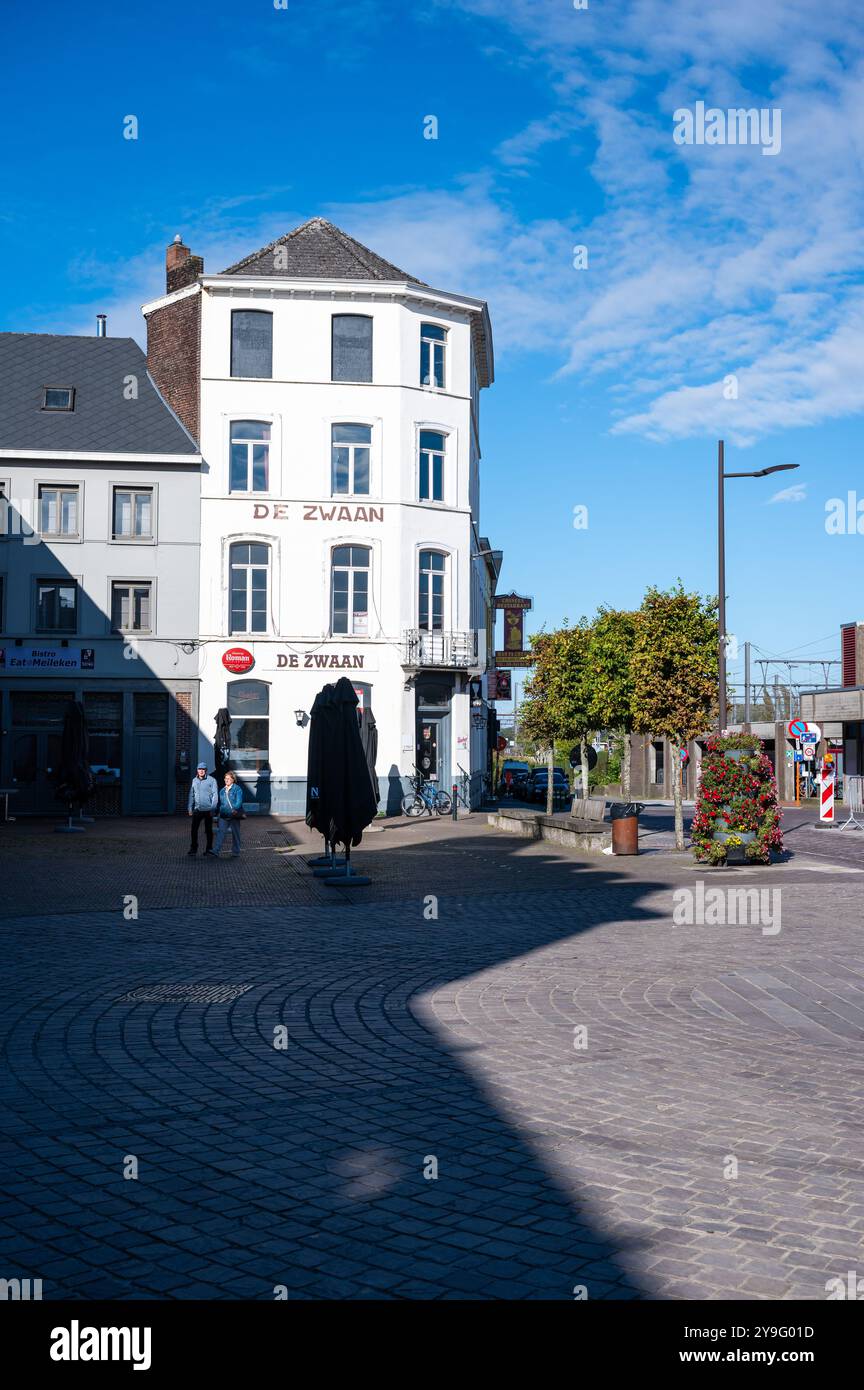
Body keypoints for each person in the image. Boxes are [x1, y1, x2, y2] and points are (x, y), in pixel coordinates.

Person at [208, 771, 244, 858]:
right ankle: (216, 850)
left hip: (233, 814)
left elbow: (239, 801)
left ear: (233, 780)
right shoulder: (222, 791)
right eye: (225, 778)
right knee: (221, 832)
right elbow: (221, 803)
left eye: (228, 778)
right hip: (223, 814)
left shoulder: (237, 789)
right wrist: (217, 811)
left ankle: (236, 851)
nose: (226, 780)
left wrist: (235, 808)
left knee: (236, 833)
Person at [187, 762, 218, 856]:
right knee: (194, 830)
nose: (201, 771)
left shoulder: (212, 780)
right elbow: (191, 795)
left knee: (208, 830)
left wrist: (213, 809)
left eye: (203, 769)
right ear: (197, 770)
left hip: (208, 810)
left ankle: (209, 849)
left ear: (206, 770)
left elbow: (215, 795)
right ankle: (193, 848)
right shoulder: (194, 780)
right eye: (199, 769)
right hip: (197, 810)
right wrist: (189, 807)